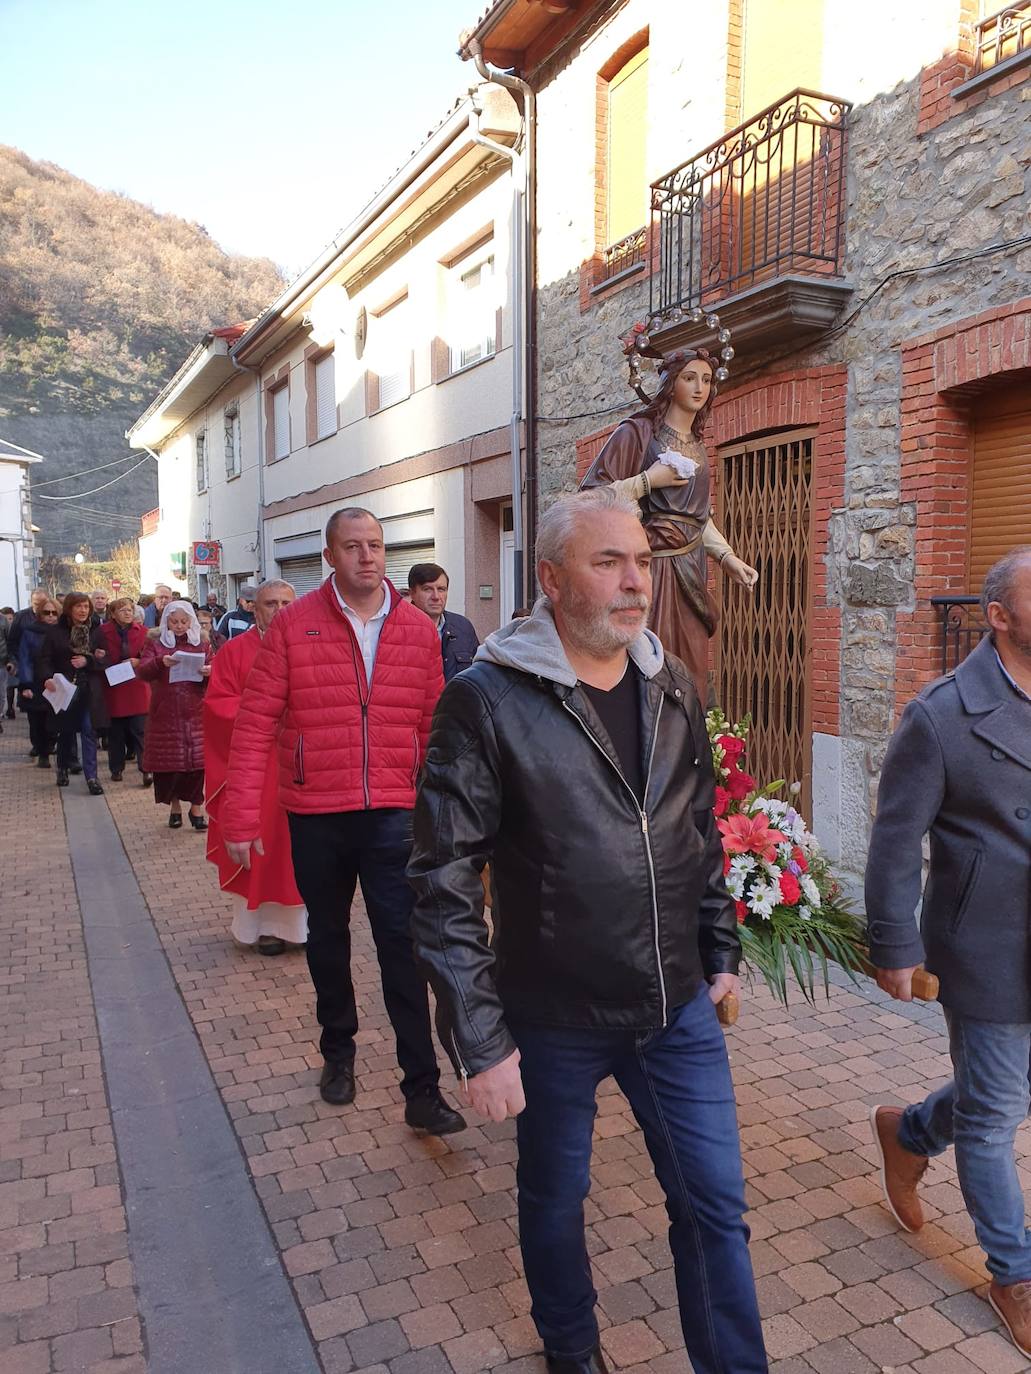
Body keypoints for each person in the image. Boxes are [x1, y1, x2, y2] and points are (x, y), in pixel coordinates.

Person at [409, 487, 767, 1374]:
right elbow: (443, 878)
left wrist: (717, 948)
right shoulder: (486, 699)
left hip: (675, 1009)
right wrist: (479, 1039)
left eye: (642, 562)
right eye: (608, 562)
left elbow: (696, 828)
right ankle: (571, 1348)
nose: (634, 582)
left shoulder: (670, 683)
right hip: (552, 1014)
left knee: (714, 1205)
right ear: (550, 578)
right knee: (555, 1196)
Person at [220, 507, 465, 1138]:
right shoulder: (294, 627)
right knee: (328, 942)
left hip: (391, 814)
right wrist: (242, 816)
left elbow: (434, 727)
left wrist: (444, 811)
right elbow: (253, 727)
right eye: (353, 546)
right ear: (329, 557)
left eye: (376, 546)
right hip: (316, 813)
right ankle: (339, 1053)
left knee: (402, 949)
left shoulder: (416, 630)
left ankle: (422, 1086)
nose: (367, 556)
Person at [866, 545, 1031, 1357]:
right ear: (998, 615)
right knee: (997, 1113)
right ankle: (1014, 1273)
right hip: (990, 945)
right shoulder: (939, 714)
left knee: (1003, 1091)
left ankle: (909, 1132)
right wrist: (893, 942)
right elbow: (895, 838)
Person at [580, 348, 758, 698]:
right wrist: (648, 481)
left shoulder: (699, 446)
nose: (699, 388)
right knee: (650, 660)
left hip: (691, 567)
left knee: (690, 667)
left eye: (706, 380)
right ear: (670, 383)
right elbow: (591, 497)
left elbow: (697, 516)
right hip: (653, 567)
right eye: (689, 378)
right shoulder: (638, 432)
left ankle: (688, 739)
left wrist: (727, 557)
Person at [205, 580, 307, 956]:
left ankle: (305, 927)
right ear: (253, 608)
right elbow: (217, 704)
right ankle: (262, 927)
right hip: (257, 768)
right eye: (270, 603)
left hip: (302, 763)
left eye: (286, 602)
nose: (279, 610)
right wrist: (262, 714)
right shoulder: (234, 652)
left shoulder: (314, 644)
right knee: (264, 847)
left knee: (306, 849)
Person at [138, 600, 212, 829]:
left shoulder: (202, 643)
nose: (179, 626)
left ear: (191, 621)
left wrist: (210, 671)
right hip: (166, 711)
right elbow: (143, 670)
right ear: (166, 621)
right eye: (174, 622)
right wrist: (161, 662)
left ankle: (197, 806)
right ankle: (175, 805)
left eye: (183, 621)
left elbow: (216, 666)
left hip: (195, 709)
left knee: (197, 764)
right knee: (170, 765)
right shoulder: (155, 642)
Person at [38, 591, 108, 795]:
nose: (83, 610)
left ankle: (92, 777)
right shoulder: (56, 632)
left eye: (86, 606)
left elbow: (105, 657)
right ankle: (62, 768)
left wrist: (89, 660)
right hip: (65, 687)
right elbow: (44, 659)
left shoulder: (96, 630)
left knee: (88, 731)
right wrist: (47, 677)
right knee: (66, 731)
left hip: (88, 689)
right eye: (79, 606)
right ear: (69, 608)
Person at [97, 597, 151, 785]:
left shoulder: (144, 632)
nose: (128, 613)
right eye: (122, 610)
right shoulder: (102, 633)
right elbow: (95, 655)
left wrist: (139, 661)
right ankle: (116, 768)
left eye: (130, 609)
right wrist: (101, 659)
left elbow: (151, 656)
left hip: (137, 685)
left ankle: (146, 769)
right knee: (116, 733)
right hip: (114, 686)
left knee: (140, 731)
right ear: (112, 614)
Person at [407, 562, 480, 683]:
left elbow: (478, 672)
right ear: (412, 594)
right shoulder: (397, 629)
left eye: (441, 589)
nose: (436, 596)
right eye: (427, 589)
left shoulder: (463, 627)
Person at [14, 597, 60, 766]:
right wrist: (25, 684)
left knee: (55, 719)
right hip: (34, 680)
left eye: (54, 613)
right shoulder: (30, 631)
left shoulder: (62, 631)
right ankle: (42, 752)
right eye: (46, 612)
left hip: (56, 681)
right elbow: (24, 658)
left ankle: (50, 746)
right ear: (40, 614)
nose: (50, 616)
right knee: (36, 720)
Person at [2, 607, 16, 719]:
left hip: (2, 662)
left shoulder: (3, 621)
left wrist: (10, 660)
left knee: (2, 692)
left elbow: (10, 641)